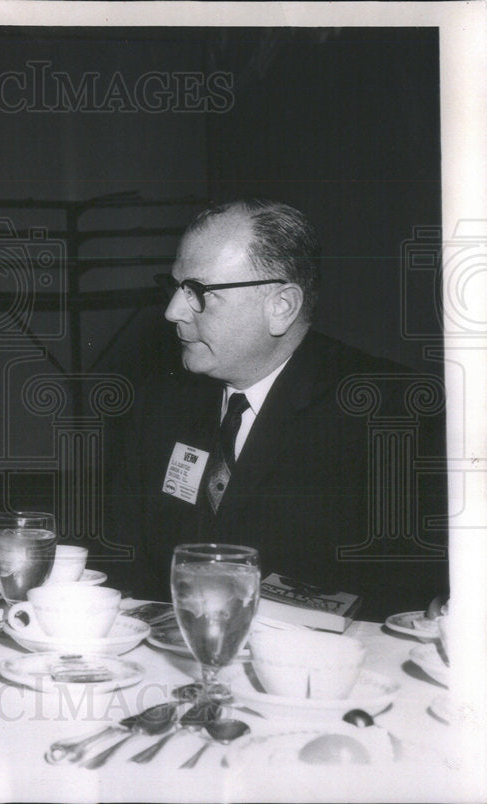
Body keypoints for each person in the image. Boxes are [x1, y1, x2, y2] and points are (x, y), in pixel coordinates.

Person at [105, 199, 447, 620]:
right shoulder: (160, 401)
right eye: (174, 287)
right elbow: (123, 562)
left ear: (281, 306)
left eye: (198, 292)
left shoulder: (392, 414)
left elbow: (413, 600)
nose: (172, 311)